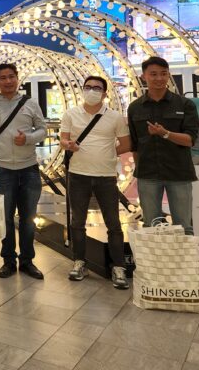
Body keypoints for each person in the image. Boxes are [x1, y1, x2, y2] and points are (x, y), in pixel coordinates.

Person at [61, 76, 132, 289]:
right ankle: (79, 262)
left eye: (97, 88)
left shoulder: (114, 117)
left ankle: (118, 267)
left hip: (106, 176)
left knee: (113, 223)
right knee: (77, 221)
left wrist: (107, 154)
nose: (92, 91)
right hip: (78, 174)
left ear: (104, 93)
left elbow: (126, 143)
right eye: (88, 87)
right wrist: (68, 145)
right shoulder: (71, 114)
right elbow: (63, 139)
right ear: (83, 90)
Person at [0, 63, 47, 280]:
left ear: (18, 78)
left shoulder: (30, 103)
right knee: (5, 219)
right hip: (2, 170)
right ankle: (8, 260)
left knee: (28, 218)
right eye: (3, 78)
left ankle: (27, 261)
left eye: (11, 77)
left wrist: (28, 138)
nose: (8, 81)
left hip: (29, 169)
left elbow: (43, 130)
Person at [128, 56, 199, 235]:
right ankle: (155, 256)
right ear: (143, 76)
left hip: (179, 173)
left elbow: (190, 140)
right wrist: (140, 168)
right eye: (153, 74)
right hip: (147, 175)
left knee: (183, 226)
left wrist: (165, 133)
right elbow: (135, 145)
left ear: (168, 75)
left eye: (163, 73)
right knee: (151, 227)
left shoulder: (185, 104)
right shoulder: (135, 108)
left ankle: (184, 255)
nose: (159, 78)